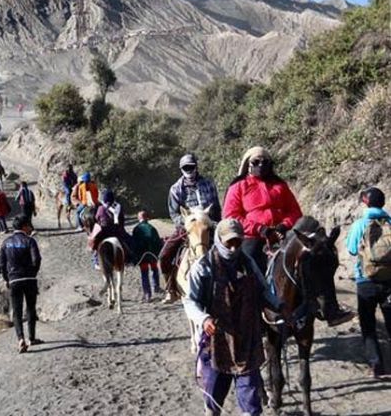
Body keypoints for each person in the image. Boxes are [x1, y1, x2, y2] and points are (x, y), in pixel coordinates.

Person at [223, 146, 353, 327]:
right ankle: (248, 312)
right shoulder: (238, 186)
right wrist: (260, 229)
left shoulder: (279, 184)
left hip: (283, 232)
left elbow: (294, 210)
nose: (261, 165)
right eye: (256, 162)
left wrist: (284, 225)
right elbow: (231, 216)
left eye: (265, 162)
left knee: (316, 257)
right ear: (248, 164)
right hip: (253, 235)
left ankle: (328, 308)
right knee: (247, 261)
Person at [184, 219, 283, 416]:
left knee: (251, 403)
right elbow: (190, 301)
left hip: (247, 340)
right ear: (218, 240)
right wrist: (204, 319)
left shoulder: (248, 263)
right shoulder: (203, 266)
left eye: (237, 242)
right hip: (216, 342)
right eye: (228, 242)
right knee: (213, 401)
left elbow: (263, 291)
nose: (233, 247)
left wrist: (279, 306)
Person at [160, 153, 221, 303]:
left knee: (231, 249)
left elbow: (217, 208)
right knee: (164, 256)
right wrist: (188, 222)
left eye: (191, 166)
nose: (189, 169)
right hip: (187, 226)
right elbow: (174, 213)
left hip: (208, 224)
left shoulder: (208, 183)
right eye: (185, 167)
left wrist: (215, 223)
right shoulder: (176, 189)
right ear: (181, 169)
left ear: (196, 167)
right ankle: (171, 289)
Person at [346, 187, 391, 378]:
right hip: (389, 280)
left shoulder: (359, 224)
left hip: (366, 280)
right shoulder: (389, 221)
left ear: (366, 202)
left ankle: (376, 365)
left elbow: (352, 250)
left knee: (368, 325)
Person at [0, 215, 42, 353]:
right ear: (24, 226)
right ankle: (32, 338)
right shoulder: (30, 241)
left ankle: (20, 339)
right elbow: (37, 260)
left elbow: (2, 264)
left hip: (14, 279)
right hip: (29, 278)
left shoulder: (6, 243)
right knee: (31, 308)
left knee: (17, 311)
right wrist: (33, 273)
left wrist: (7, 279)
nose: (30, 228)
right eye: (29, 225)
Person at [132, 211, 164, 302]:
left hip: (142, 256)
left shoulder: (136, 229)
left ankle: (147, 294)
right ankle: (156, 287)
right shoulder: (152, 228)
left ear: (139, 218)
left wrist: (135, 256)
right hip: (152, 254)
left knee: (144, 273)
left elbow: (134, 244)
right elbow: (158, 242)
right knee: (155, 270)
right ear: (147, 218)